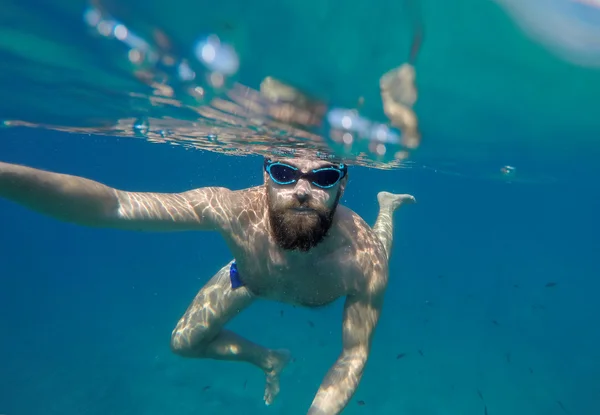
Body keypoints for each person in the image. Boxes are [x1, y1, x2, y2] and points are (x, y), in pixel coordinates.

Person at [0, 155, 415, 414]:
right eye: (285, 172)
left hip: (334, 263)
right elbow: (116, 204)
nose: (302, 190)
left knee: (379, 243)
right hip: (251, 278)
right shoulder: (230, 208)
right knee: (183, 343)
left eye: (322, 176)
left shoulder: (362, 260)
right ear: (266, 174)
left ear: (341, 184)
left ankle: (387, 207)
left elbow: (353, 354)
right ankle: (270, 359)